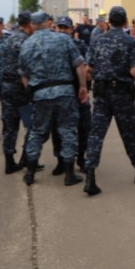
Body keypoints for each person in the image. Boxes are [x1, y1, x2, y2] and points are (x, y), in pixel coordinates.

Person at [83, 6, 135, 195]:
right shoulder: (130, 42)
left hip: (102, 93)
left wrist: (102, 72)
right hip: (122, 93)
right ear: (124, 22)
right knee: (129, 133)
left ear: (108, 21)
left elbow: (88, 68)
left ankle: (90, 175)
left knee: (96, 134)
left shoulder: (97, 40)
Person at [18, 12, 87, 186]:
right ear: (48, 23)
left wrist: (32, 91)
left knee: (37, 132)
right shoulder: (63, 40)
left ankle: (30, 173)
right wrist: (82, 87)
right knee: (67, 130)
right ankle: (69, 174)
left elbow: (24, 75)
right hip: (65, 92)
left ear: (32, 25)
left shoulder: (26, 45)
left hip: (41, 94)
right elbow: (79, 65)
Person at [53, 16, 92, 173]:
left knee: (83, 127)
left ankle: (82, 158)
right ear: (55, 28)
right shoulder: (51, 47)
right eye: (59, 27)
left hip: (78, 93)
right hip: (60, 94)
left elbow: (87, 67)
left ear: (71, 30)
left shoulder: (80, 45)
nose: (62, 31)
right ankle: (61, 160)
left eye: (65, 28)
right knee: (57, 129)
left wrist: (85, 86)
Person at [1, 11, 34, 173]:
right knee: (31, 124)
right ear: (29, 24)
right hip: (22, 89)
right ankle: (26, 158)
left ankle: (9, 161)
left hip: (7, 87)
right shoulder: (27, 41)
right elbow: (27, 69)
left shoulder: (9, 39)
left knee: (10, 126)